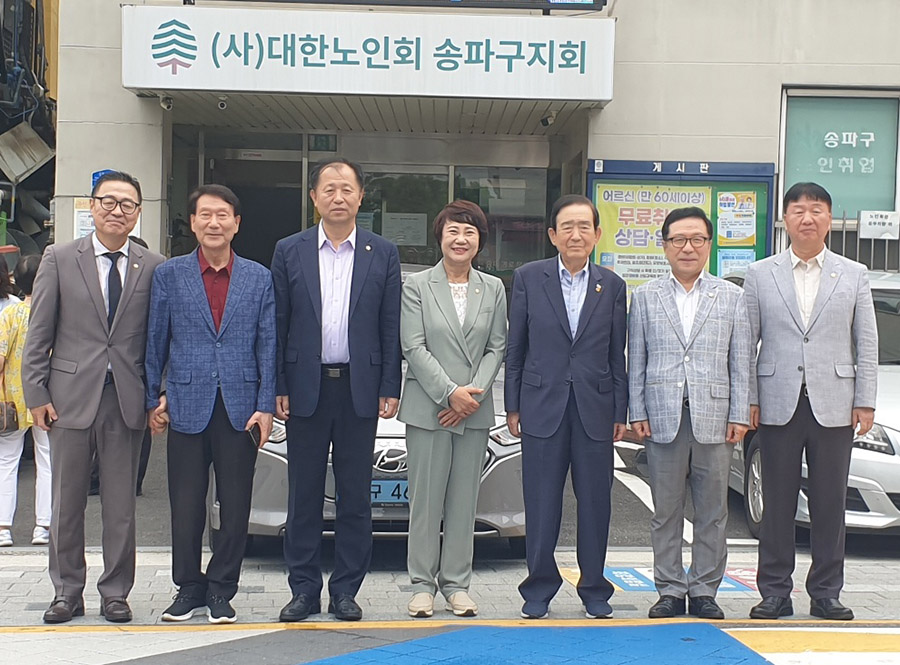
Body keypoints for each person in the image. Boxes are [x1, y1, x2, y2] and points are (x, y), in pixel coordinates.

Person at [22, 171, 165, 624]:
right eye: (108, 201)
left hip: (126, 398)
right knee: (67, 503)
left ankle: (116, 593)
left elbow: (159, 338)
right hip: (67, 397)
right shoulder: (60, 257)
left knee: (121, 506)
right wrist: (36, 392)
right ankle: (67, 591)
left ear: (138, 213)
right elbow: (39, 332)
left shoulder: (154, 265)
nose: (117, 210)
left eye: (127, 204)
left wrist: (157, 395)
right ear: (92, 206)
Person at [272, 159, 401, 623]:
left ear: (361, 196)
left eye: (347, 188)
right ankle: (303, 590)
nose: (338, 197)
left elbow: (390, 324)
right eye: (329, 188)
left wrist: (390, 384)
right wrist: (278, 384)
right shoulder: (289, 250)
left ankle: (346, 590)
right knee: (303, 496)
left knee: (355, 497)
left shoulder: (382, 252)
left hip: (358, 389)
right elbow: (278, 323)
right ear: (314, 197)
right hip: (304, 388)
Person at [746, 182, 878, 621]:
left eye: (817, 210)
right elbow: (746, 342)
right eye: (799, 210)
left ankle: (825, 592)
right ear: (785, 219)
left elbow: (866, 342)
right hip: (776, 399)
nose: (807, 218)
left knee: (829, 502)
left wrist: (865, 401)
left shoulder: (853, 273)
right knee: (777, 502)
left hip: (835, 402)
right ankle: (774, 592)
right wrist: (748, 399)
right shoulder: (760, 273)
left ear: (829, 219)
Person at [145, 184, 275, 624]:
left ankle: (222, 589)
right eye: (205, 215)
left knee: (235, 506)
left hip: (241, 406)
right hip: (185, 400)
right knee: (185, 504)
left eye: (223, 215)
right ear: (193, 222)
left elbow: (268, 345)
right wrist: (153, 396)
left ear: (236, 224)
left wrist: (266, 404)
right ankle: (188, 586)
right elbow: (155, 341)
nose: (214, 223)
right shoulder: (170, 274)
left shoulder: (258, 277)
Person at [505, 194, 627, 620]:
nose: (576, 234)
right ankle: (538, 587)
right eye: (567, 227)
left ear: (597, 234)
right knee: (541, 503)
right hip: (541, 405)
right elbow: (516, 347)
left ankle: (594, 588)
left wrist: (620, 411)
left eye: (584, 227)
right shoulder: (528, 277)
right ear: (553, 235)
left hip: (595, 407)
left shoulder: (612, 285)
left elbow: (616, 354)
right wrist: (513, 405)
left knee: (595, 503)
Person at [627, 207, 751, 620]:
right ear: (665, 246)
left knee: (713, 512)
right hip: (662, 416)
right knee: (665, 511)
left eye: (697, 239)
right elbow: (636, 359)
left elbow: (740, 362)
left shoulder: (731, 296)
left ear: (709, 245)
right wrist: (636, 409)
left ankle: (703, 591)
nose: (688, 247)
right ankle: (669, 589)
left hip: (715, 417)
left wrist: (739, 413)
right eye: (678, 239)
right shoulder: (645, 296)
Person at [399, 201, 507, 619]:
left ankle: (457, 585)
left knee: (464, 502)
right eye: (453, 232)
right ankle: (422, 586)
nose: (461, 239)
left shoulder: (493, 288)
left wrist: (469, 398)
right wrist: (450, 394)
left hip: (473, 409)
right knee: (425, 503)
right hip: (429, 407)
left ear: (480, 241)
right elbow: (413, 346)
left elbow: (497, 346)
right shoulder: (417, 286)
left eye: (469, 232)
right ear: (439, 237)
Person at [90, 235, 153, 498]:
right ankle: (98, 479)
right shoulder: (74, 265)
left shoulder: (154, 270)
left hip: (134, 375)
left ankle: (133, 480)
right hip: (91, 378)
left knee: (136, 433)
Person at [0, 255, 50, 547]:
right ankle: (43, 526)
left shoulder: (10, 314)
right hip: (47, 396)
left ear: (16, 281)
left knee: (7, 462)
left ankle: (3, 527)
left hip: (11, 401)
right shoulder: (53, 313)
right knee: (48, 461)